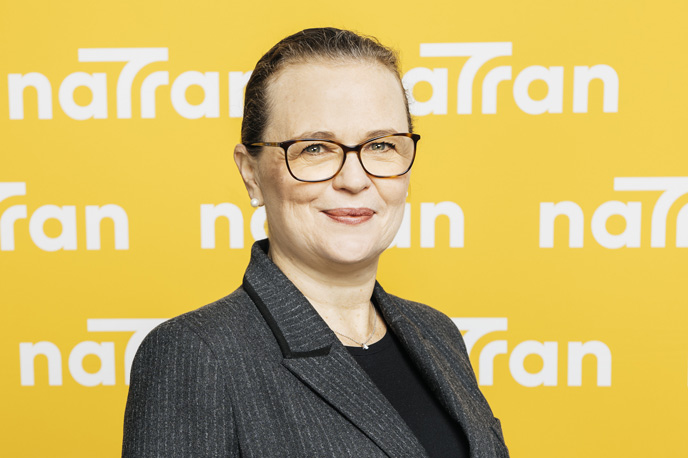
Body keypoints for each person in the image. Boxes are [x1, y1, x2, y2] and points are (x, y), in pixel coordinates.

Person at [122, 27, 509, 458]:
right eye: (315, 149)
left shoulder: (437, 334)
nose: (354, 179)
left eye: (381, 145)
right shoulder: (195, 356)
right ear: (251, 174)